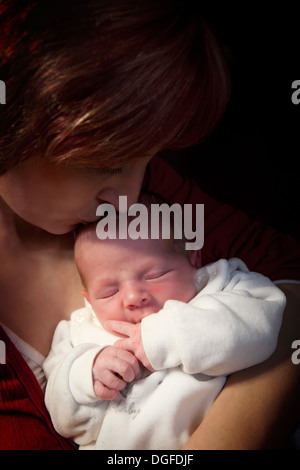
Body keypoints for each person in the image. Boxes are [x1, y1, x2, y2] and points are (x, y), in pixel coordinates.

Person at [0, 0, 299, 450]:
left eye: (146, 157)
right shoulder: (77, 337)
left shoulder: (149, 200)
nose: (127, 200)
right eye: (105, 163)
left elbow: (287, 278)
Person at [43, 203, 286, 449]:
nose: (132, 297)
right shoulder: (81, 333)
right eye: (109, 292)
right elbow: (62, 416)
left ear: (194, 260)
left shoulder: (220, 289)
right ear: (88, 299)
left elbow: (264, 324)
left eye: (154, 275)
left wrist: (167, 335)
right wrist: (87, 375)